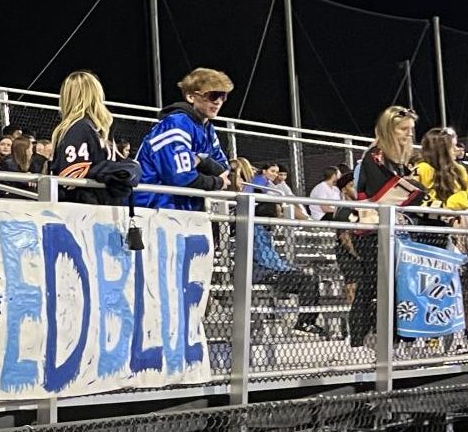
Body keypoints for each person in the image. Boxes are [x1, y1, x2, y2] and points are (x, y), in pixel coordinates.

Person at [345, 104, 422, 350]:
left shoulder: (396, 159)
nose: (409, 134)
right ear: (389, 129)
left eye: (411, 129)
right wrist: (421, 193)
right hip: (370, 232)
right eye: (403, 129)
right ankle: (357, 341)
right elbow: (384, 191)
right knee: (371, 285)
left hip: (390, 230)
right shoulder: (375, 155)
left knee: (391, 285)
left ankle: (389, 337)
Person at [133, 67, 233, 211]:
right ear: (191, 97)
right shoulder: (176, 123)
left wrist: (202, 161)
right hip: (151, 208)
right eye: (212, 96)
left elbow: (224, 167)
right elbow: (181, 177)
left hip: (185, 209)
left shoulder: (208, 129)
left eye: (223, 96)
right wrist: (217, 182)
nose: (218, 102)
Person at [251, 203, 328, 335]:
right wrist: (288, 269)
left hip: (272, 271)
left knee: (311, 278)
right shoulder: (257, 231)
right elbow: (266, 259)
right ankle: (304, 323)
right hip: (264, 273)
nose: (281, 216)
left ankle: (307, 322)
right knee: (307, 280)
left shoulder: (265, 231)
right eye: (279, 213)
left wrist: (290, 268)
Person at [47, 70, 114, 191]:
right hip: (85, 205)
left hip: (87, 205)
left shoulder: (84, 127)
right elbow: (71, 179)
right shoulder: (81, 128)